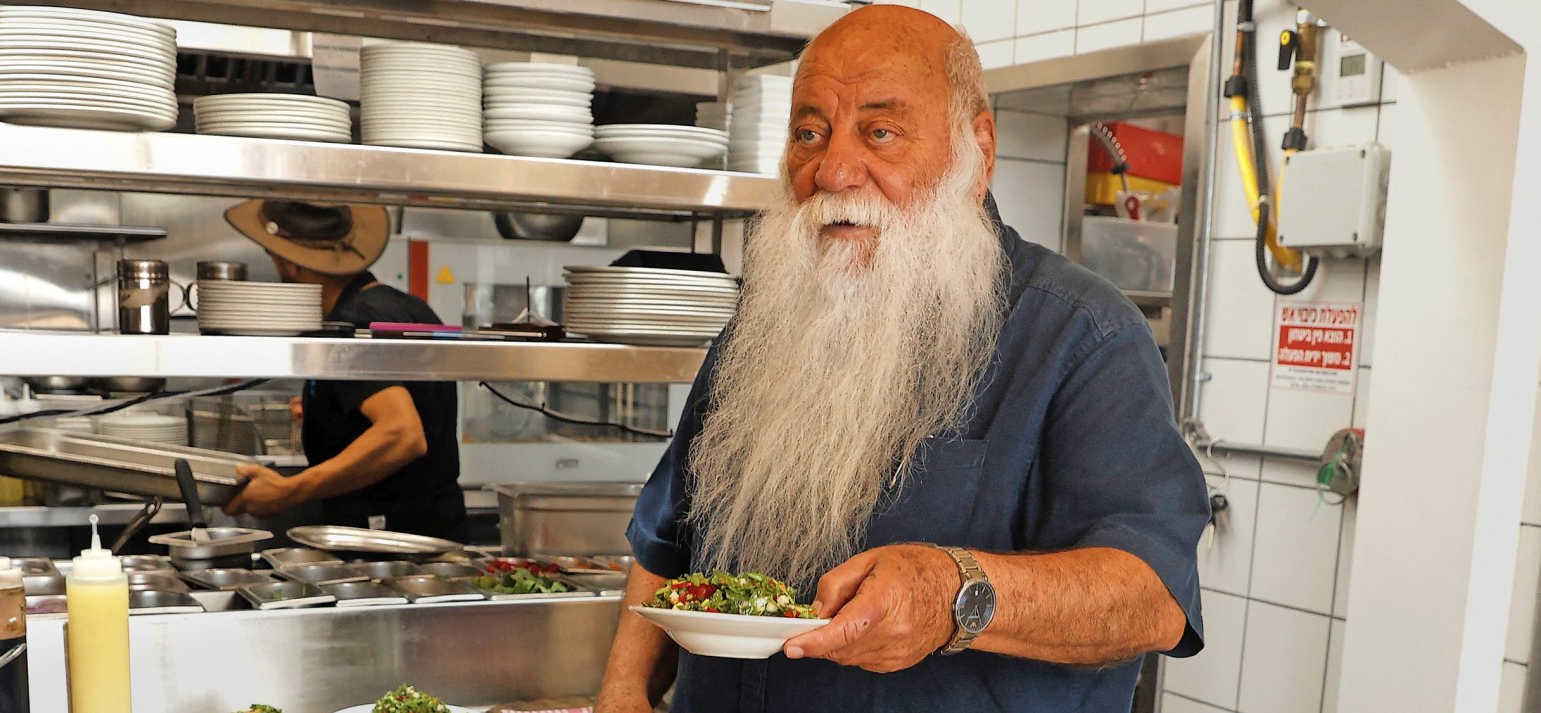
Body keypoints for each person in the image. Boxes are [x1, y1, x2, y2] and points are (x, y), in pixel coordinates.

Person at [597, 6, 1208, 712]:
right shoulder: (768, 322)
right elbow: (665, 538)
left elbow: (1153, 595)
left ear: (976, 151)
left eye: (880, 132)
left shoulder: (1082, 336)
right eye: (809, 133)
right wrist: (622, 688)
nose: (834, 169)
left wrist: (956, 592)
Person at [221, 200, 465, 542]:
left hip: (386, 541)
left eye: (273, 256)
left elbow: (403, 435)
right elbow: (409, 402)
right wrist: (332, 414)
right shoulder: (406, 306)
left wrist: (289, 491)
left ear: (290, 263)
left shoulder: (349, 326)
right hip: (437, 528)